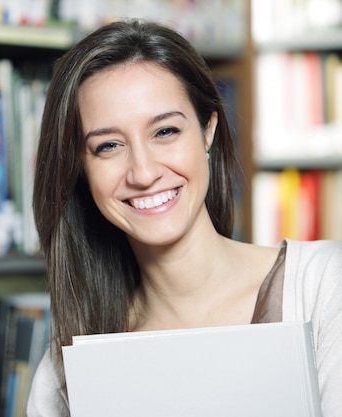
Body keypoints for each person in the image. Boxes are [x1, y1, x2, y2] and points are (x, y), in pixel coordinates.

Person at [27, 18, 342, 417]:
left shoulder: (325, 287)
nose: (143, 172)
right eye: (108, 145)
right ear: (81, 171)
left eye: (165, 132)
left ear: (208, 130)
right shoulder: (63, 368)